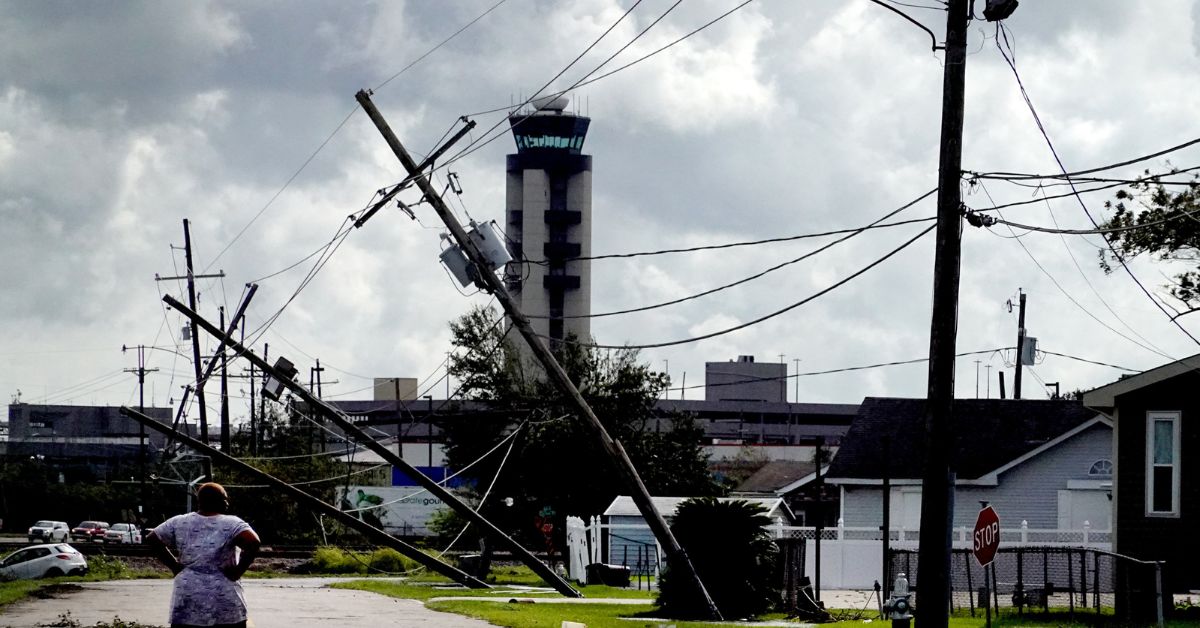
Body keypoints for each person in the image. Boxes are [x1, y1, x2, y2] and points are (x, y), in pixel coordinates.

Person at [147, 482, 261, 628]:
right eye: (224, 498)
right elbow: (253, 542)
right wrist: (239, 570)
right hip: (224, 598)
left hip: (188, 595)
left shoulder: (179, 521)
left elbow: (152, 538)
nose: (227, 503)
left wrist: (174, 566)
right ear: (217, 501)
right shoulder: (232, 523)